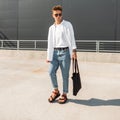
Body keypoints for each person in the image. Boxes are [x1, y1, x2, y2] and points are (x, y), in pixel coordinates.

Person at [46, 5, 77, 104]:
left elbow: (72, 38)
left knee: (65, 75)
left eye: (60, 14)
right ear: (53, 15)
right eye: (56, 15)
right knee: (51, 72)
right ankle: (56, 91)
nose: (58, 16)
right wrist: (48, 56)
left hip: (65, 53)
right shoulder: (51, 28)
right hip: (54, 53)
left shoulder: (67, 24)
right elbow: (50, 43)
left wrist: (74, 51)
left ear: (61, 14)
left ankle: (64, 93)